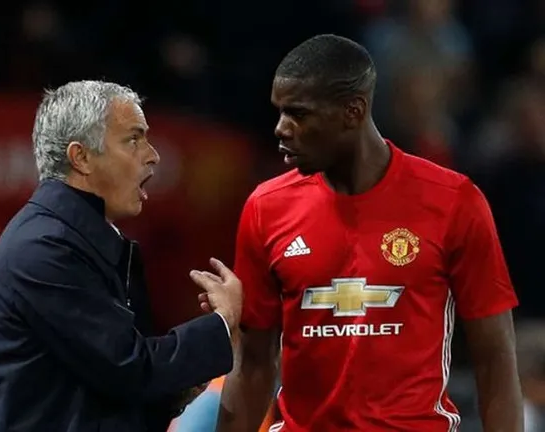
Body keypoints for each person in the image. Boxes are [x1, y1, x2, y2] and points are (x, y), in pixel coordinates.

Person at [216, 34, 522, 432]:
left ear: (353, 111)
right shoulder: (266, 208)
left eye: (298, 114)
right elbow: (253, 364)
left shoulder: (454, 202)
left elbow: (495, 358)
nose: (281, 129)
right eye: (280, 113)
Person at [0, 80, 242, 432]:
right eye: (133, 139)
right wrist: (222, 321)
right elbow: (128, 367)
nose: (152, 155)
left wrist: (175, 388)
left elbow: (101, 385)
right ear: (81, 157)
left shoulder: (77, 239)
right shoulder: (45, 247)